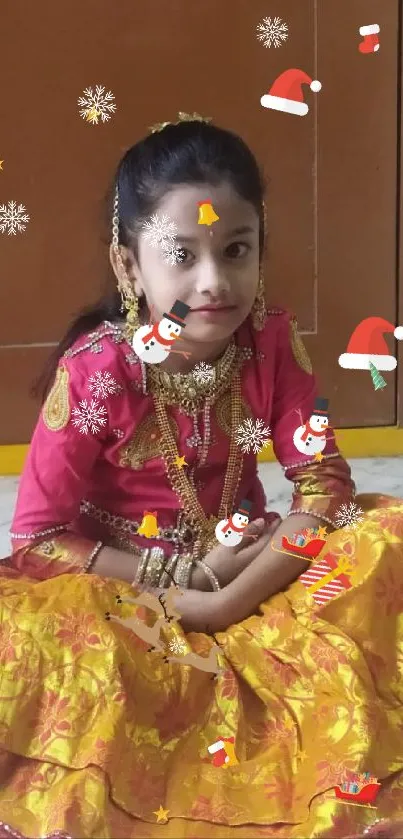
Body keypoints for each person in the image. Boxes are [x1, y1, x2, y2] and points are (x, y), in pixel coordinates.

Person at [0, 113, 402, 839]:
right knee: (40, 647)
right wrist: (173, 583)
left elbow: (324, 488)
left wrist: (222, 598)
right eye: (180, 254)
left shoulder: (270, 342)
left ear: (260, 252)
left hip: (246, 573)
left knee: (384, 538)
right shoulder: (98, 372)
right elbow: (36, 538)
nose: (213, 281)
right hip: (122, 595)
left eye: (235, 249)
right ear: (129, 266)